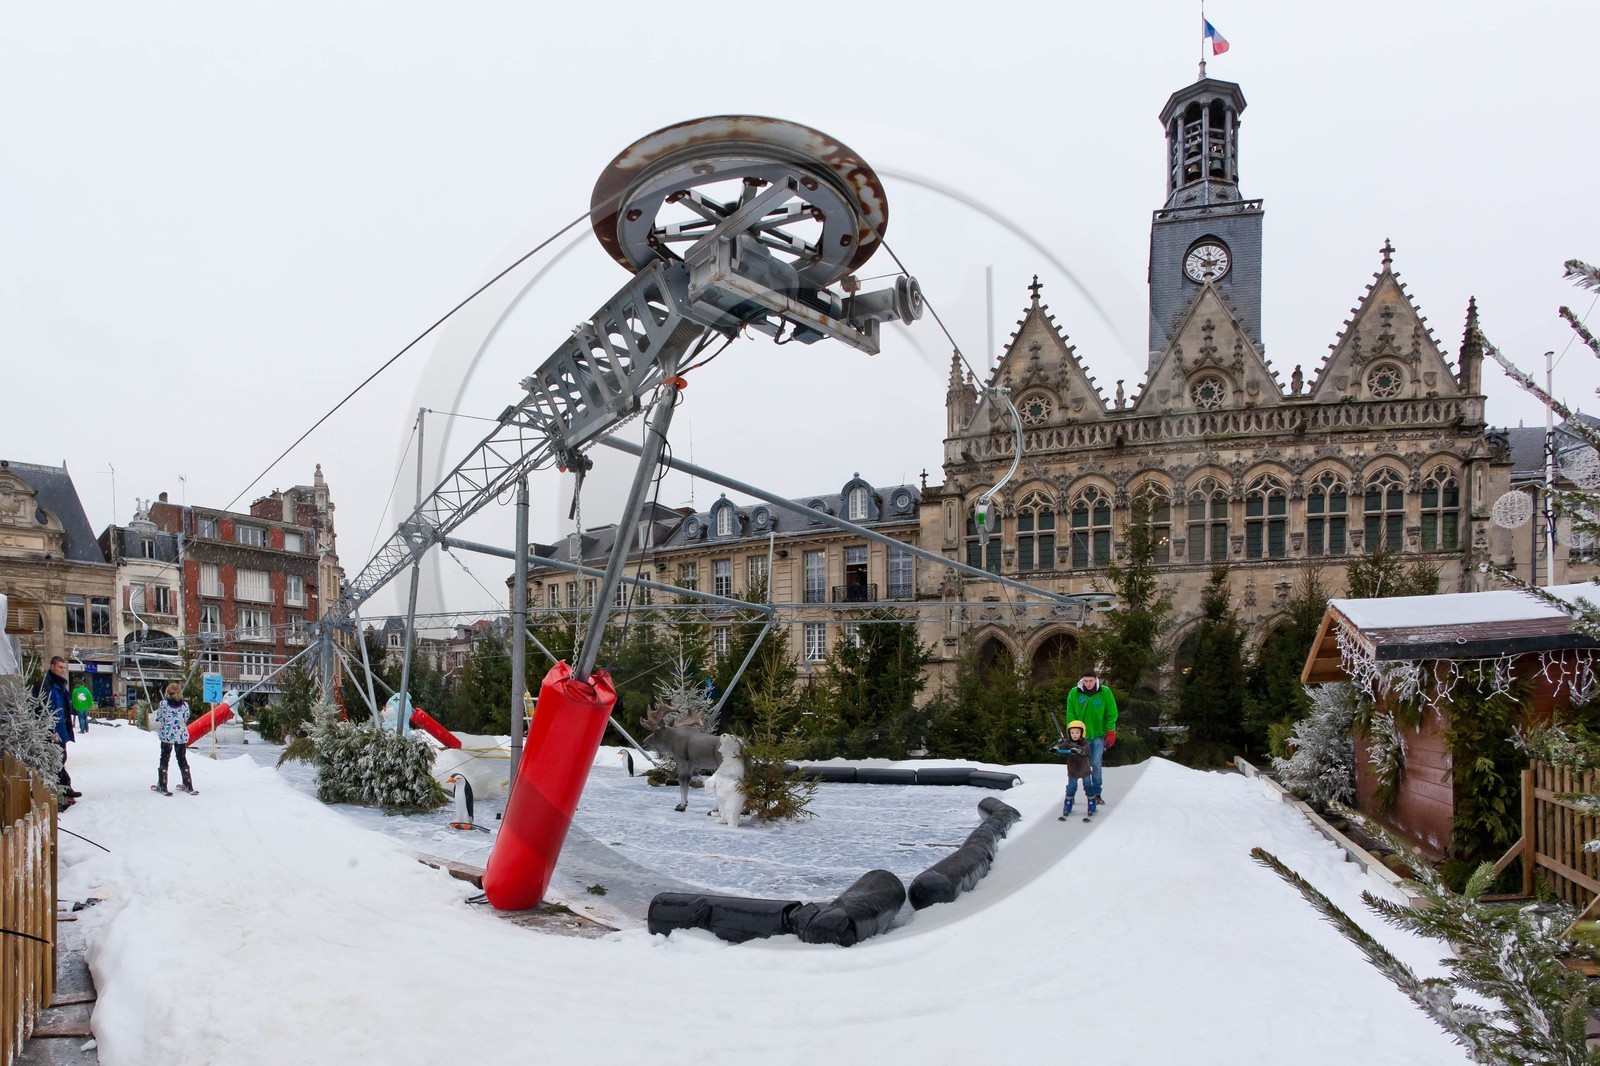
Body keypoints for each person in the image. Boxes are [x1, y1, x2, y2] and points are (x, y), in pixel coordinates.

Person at [1064, 667, 1118, 809]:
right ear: (1082, 680)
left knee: (1095, 764)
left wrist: (1110, 731)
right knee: (1076, 764)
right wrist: (1072, 733)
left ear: (1096, 679)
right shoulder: (1074, 693)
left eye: (1091, 681)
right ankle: (1071, 794)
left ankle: (1096, 794)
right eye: (1086, 681)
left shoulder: (1105, 692)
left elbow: (1111, 713)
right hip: (1080, 737)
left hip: (1098, 735)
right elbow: (1070, 714)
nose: (1088, 684)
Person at [38, 656, 79, 804]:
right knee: (55, 762)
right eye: (60, 667)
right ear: (52, 666)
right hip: (51, 730)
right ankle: (62, 792)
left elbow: (64, 706)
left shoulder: (61, 685)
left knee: (61, 759)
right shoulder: (45, 684)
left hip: (61, 730)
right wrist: (47, 728)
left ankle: (65, 791)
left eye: (64, 667)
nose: (63, 670)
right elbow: (40, 707)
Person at [153, 682, 196, 796]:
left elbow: (160, 717)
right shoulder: (185, 705)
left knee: (165, 758)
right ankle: (188, 784)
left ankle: (162, 785)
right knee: (182, 758)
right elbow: (186, 717)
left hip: (167, 735)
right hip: (181, 736)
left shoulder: (163, 704)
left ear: (167, 692)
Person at [1054, 720, 1092, 819]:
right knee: (1071, 787)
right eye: (1072, 733)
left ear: (1082, 733)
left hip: (1084, 770)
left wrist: (1078, 750)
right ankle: (1068, 803)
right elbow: (1061, 746)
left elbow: (1085, 750)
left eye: (1077, 732)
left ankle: (1091, 803)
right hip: (1073, 770)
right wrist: (1056, 748)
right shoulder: (1068, 743)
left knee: (1088, 786)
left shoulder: (1085, 743)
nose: (1074, 735)